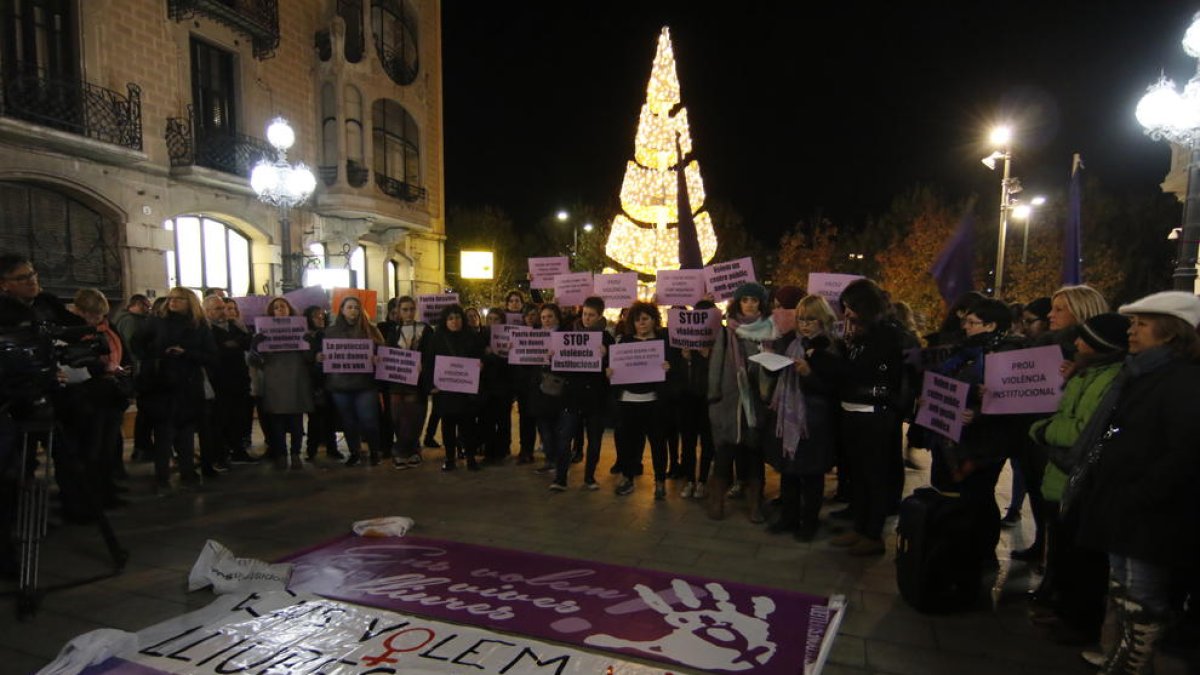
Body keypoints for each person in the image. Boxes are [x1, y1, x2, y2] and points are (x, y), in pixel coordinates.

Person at [1070, 292, 1200, 672]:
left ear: (1171, 332)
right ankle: (1122, 656)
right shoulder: (1141, 373)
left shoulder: (1182, 381)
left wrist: (1140, 493)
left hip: (1150, 514)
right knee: (1123, 588)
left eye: (1142, 324)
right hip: (1124, 504)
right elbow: (1119, 429)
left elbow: (1185, 451)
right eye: (1132, 323)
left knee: (1142, 596)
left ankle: (1133, 664)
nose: (1131, 331)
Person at [1026, 313, 1129, 647]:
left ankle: (1080, 621)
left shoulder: (1110, 380)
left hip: (1079, 480)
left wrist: (1042, 430)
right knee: (1064, 551)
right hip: (1061, 477)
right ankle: (1064, 608)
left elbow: (1082, 430)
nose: (1076, 344)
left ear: (1100, 346)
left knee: (1083, 559)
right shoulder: (1084, 372)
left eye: (1084, 339)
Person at [825, 279, 904, 556]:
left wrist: (834, 360)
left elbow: (864, 371)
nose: (846, 313)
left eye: (850, 307)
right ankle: (859, 526)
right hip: (852, 411)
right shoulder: (859, 334)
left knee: (874, 476)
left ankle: (873, 533)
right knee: (857, 475)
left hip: (874, 416)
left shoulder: (886, 334)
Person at [767, 295, 841, 541]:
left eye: (811, 320)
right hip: (789, 416)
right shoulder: (792, 342)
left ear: (823, 319)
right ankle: (788, 517)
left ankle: (809, 522)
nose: (805, 325)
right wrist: (769, 360)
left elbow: (833, 388)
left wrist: (809, 374)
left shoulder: (830, 347)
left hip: (814, 419)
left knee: (811, 474)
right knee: (789, 470)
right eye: (801, 319)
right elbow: (779, 373)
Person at [132, 287, 216, 493]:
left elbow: (211, 355)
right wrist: (155, 357)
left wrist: (186, 353)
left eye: (178, 299)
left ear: (189, 302)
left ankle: (188, 473)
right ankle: (162, 478)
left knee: (186, 432)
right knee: (164, 433)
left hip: (188, 384)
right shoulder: (156, 321)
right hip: (162, 384)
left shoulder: (199, 325)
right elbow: (137, 343)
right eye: (171, 298)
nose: (172, 302)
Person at [707, 283, 778, 522]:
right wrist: (714, 398)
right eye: (745, 300)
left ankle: (755, 504)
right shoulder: (728, 332)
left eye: (754, 300)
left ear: (761, 304)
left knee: (754, 453)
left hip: (757, 401)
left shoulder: (770, 330)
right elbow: (716, 366)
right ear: (738, 303)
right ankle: (717, 501)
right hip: (730, 401)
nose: (749, 304)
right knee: (725, 451)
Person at [610, 301, 673, 499]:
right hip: (629, 401)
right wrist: (611, 371)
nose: (641, 323)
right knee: (629, 443)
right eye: (637, 320)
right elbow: (616, 367)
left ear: (654, 320)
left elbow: (674, 370)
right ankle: (627, 477)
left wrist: (668, 368)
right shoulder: (625, 342)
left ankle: (660, 482)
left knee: (658, 443)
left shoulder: (663, 343)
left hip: (654, 402)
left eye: (645, 319)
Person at [319, 296, 385, 466]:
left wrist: (378, 358)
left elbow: (383, 352)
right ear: (342, 310)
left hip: (365, 384)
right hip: (339, 385)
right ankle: (355, 452)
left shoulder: (371, 330)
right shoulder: (330, 332)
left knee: (369, 420)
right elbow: (323, 354)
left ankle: (375, 451)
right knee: (348, 422)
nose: (353, 311)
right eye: (349, 307)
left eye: (356, 307)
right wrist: (320, 357)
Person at [251, 297, 314, 469]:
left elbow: (309, 359)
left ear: (289, 309)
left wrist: (309, 344)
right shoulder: (263, 332)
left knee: (296, 421)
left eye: (283, 306)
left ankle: (295, 453)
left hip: (296, 379)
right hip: (274, 381)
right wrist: (255, 347)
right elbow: (254, 362)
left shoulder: (301, 330)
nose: (280, 309)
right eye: (276, 307)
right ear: (271, 312)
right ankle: (281, 454)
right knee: (276, 421)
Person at [421, 304, 484, 471]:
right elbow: (429, 363)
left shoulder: (472, 337)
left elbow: (480, 357)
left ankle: (470, 458)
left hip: (466, 392)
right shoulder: (437, 339)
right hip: (445, 391)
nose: (454, 321)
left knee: (468, 426)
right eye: (450, 318)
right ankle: (450, 458)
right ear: (445, 321)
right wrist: (430, 385)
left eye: (457, 317)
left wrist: (481, 365)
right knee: (448, 426)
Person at [202, 295, 250, 473]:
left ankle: (238, 450)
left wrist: (235, 343)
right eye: (218, 309)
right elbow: (218, 350)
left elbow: (247, 341)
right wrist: (234, 344)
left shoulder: (234, 326)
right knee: (219, 421)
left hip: (239, 379)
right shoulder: (206, 330)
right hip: (219, 381)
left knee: (238, 418)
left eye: (223, 308)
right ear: (207, 311)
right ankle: (219, 456)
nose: (223, 312)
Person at [381, 296, 429, 468]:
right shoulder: (393, 330)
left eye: (411, 309)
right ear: (399, 312)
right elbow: (387, 351)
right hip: (397, 381)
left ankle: (406, 452)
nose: (408, 313)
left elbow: (431, 352)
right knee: (397, 418)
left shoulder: (425, 329)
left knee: (413, 418)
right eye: (405, 310)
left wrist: (424, 365)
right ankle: (406, 451)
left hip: (416, 382)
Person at [674, 300, 716, 500]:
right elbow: (677, 372)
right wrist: (687, 359)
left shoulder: (719, 338)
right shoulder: (685, 336)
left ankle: (703, 481)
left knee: (707, 442)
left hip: (709, 398)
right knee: (688, 442)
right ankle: (690, 479)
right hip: (688, 398)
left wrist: (708, 357)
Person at [574, 296, 615, 490]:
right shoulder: (572, 334)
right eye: (584, 314)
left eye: (591, 315)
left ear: (600, 316)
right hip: (575, 395)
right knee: (568, 434)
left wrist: (606, 357)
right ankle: (562, 473)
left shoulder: (607, 339)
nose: (587, 318)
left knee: (595, 438)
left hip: (597, 396)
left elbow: (615, 366)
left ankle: (589, 476)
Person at [302, 305, 340, 461]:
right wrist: (314, 358)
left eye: (322, 315)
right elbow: (303, 358)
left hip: (329, 380)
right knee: (315, 418)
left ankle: (332, 448)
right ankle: (311, 450)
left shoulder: (327, 334)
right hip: (314, 382)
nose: (320, 318)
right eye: (316, 316)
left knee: (330, 416)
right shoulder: (304, 337)